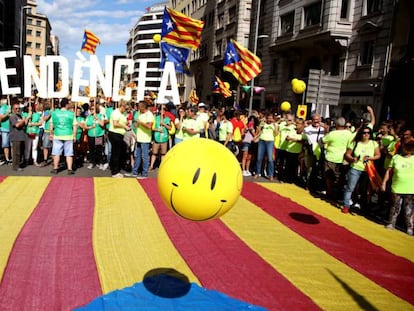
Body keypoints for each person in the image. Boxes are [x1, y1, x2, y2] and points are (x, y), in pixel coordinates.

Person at [342, 126, 381, 213]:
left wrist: (370, 158)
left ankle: (362, 206)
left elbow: (378, 155)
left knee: (364, 189)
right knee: (350, 187)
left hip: (368, 169)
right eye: (364, 132)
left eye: (368, 133)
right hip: (355, 168)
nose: (366, 134)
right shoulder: (355, 143)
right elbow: (347, 154)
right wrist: (352, 159)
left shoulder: (374, 143)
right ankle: (346, 205)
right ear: (361, 134)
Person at [381, 139, 414, 235]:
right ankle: (391, 223)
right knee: (395, 206)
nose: (409, 148)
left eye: (411, 146)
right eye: (407, 146)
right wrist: (384, 183)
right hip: (397, 186)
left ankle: (410, 227)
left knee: (409, 209)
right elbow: (389, 171)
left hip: (411, 188)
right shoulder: (396, 158)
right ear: (403, 146)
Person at [321, 117, 353, 201]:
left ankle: (330, 194)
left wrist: (326, 132)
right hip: (343, 159)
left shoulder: (332, 134)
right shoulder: (349, 134)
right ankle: (337, 194)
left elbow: (323, 141)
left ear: (336, 124)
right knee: (340, 179)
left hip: (331, 158)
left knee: (329, 178)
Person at [49, 98, 77, 175]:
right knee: (69, 153)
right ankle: (69, 169)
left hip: (57, 135)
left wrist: (51, 134)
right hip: (68, 135)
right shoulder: (71, 114)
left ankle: (55, 168)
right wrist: (74, 135)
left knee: (56, 153)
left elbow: (51, 125)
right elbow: (75, 126)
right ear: (67, 105)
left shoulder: (54, 113)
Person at [128, 100, 153, 178]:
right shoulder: (139, 113)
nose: (137, 107)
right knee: (137, 156)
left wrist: (140, 122)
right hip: (139, 138)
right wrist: (136, 124)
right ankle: (134, 172)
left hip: (145, 139)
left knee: (144, 156)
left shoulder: (149, 114)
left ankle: (144, 173)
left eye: (138, 106)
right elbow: (137, 124)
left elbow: (149, 126)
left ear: (142, 107)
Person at [107, 100, 130, 178]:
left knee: (118, 152)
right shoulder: (116, 113)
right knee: (116, 153)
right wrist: (125, 126)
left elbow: (120, 122)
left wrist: (126, 123)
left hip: (119, 134)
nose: (126, 110)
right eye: (125, 108)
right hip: (115, 134)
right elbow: (115, 123)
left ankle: (114, 167)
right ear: (122, 106)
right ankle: (115, 172)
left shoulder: (121, 113)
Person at [254, 112, 278, 181]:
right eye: (268, 118)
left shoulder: (274, 125)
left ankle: (271, 175)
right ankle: (257, 173)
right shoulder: (263, 124)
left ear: (273, 119)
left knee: (270, 159)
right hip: (262, 141)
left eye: (271, 118)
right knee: (259, 158)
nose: (269, 120)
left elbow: (276, 134)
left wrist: (275, 126)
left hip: (270, 142)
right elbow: (258, 131)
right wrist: (260, 125)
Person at [149, 104, 171, 171]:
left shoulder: (167, 119)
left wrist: (164, 124)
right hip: (157, 138)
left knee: (163, 153)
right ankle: (151, 166)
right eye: (162, 109)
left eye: (164, 109)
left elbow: (170, 128)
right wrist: (158, 130)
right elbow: (152, 128)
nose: (163, 111)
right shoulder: (156, 118)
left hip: (164, 138)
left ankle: (162, 166)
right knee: (154, 153)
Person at [9, 103, 29, 171]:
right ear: (13, 109)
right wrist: (23, 120)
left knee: (20, 152)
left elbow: (25, 123)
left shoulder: (20, 116)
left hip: (21, 136)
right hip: (15, 137)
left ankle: (19, 164)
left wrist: (26, 118)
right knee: (16, 153)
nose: (18, 110)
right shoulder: (12, 116)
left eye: (18, 108)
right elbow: (17, 125)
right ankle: (15, 167)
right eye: (16, 108)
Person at [85, 104, 106, 170]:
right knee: (91, 149)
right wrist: (90, 127)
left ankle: (100, 162)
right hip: (91, 135)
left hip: (98, 135)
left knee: (99, 149)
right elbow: (85, 126)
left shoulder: (100, 116)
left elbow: (102, 124)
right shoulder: (88, 117)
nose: (91, 110)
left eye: (93, 109)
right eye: (91, 109)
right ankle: (92, 162)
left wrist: (97, 118)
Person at [0, 98, 12, 165]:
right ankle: (7, 159)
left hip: (12, 129)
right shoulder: (2, 108)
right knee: (5, 145)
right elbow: (0, 118)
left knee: (12, 145)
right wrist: (7, 114)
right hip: (4, 129)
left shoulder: (10, 106)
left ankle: (13, 159)